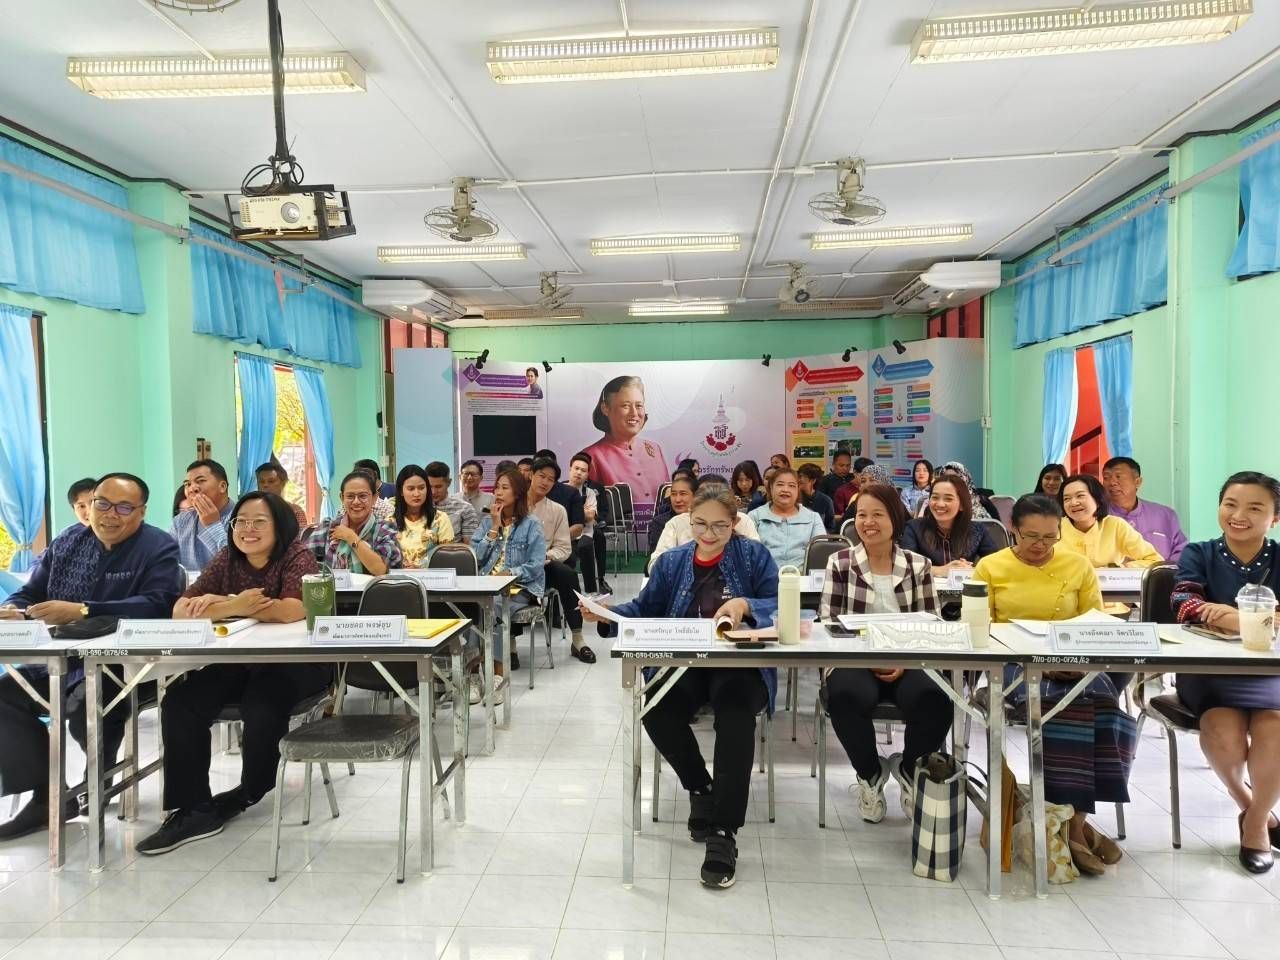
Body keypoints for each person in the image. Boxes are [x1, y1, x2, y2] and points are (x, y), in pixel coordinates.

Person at [582, 485, 779, 888]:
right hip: (684, 666)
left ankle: (724, 831)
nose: (708, 534)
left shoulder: (754, 556)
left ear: (736, 522)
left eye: (720, 526)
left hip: (740, 667)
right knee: (654, 706)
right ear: (689, 520)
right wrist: (605, 614)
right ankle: (701, 787)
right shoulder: (672, 562)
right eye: (701, 525)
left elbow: (782, 603)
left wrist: (746, 606)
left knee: (736, 716)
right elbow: (645, 610)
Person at [134, 492, 327, 855]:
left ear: (280, 526)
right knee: (181, 701)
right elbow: (181, 609)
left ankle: (250, 791)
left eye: (259, 522)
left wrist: (218, 607)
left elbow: (291, 610)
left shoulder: (296, 555)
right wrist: (237, 604)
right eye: (240, 521)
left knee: (261, 703)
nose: (247, 529)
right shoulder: (227, 558)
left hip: (294, 663)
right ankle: (194, 808)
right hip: (237, 659)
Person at [0, 473, 182, 840]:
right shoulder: (67, 541)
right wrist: (14, 609)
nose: (110, 515)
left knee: (87, 699)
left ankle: (97, 783)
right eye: (102, 504)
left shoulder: (159, 546)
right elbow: (31, 592)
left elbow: (158, 603)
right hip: (58, 658)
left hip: (125, 665)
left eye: (124, 507)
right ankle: (47, 795)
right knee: (3, 695)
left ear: (142, 512)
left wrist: (85, 609)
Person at [972, 495, 1130, 874]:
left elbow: (1094, 623)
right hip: (1013, 664)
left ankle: (1073, 821)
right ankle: (1073, 827)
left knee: (1109, 711)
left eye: (1050, 537)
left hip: (1073, 661)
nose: (1041, 545)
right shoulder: (991, 567)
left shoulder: (1077, 566)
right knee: (1066, 710)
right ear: (1013, 530)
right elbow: (979, 631)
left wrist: (1073, 661)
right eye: (1031, 537)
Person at [1170, 471, 1280, 874]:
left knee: (1275, 727)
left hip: (1270, 673)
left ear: (1274, 518)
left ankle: (1256, 826)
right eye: (1231, 504)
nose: (1239, 515)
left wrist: (1239, 617)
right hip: (1209, 671)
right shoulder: (1200, 553)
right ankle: (1250, 805)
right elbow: (1182, 603)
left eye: (1255, 508)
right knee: (1224, 732)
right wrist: (1245, 618)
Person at [819, 483, 948, 822]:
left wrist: (902, 661)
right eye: (862, 515)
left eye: (877, 514)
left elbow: (932, 623)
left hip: (908, 657)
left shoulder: (918, 565)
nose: (868, 522)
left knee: (936, 697)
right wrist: (870, 657)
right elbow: (828, 623)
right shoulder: (840, 562)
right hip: (854, 658)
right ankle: (870, 774)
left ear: (895, 518)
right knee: (844, 696)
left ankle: (908, 771)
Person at [471, 469, 547, 686]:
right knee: (472, 605)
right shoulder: (487, 522)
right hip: (487, 585)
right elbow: (475, 558)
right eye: (497, 488)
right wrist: (494, 529)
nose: (498, 493)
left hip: (520, 588)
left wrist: (510, 573)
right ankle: (474, 674)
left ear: (518, 493)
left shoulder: (532, 524)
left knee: (492, 604)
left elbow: (536, 565)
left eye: (505, 488)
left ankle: (498, 673)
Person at [528, 457, 594, 663]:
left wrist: (547, 557)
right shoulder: (515, 505)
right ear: (531, 475)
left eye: (551, 479)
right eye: (541, 476)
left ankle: (578, 639)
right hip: (513, 567)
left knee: (567, 574)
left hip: (543, 565)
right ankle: (510, 647)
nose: (545, 482)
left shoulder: (557, 510)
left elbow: (564, 547)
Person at [581, 375, 670, 512]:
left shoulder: (654, 449)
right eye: (625, 406)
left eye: (639, 405)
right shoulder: (590, 457)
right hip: (618, 532)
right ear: (605, 408)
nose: (634, 413)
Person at [901, 475, 1000, 578]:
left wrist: (968, 570)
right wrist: (940, 570)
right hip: (927, 591)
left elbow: (995, 564)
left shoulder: (977, 530)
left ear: (962, 505)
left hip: (964, 591)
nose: (940, 504)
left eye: (948, 499)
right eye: (934, 497)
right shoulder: (914, 527)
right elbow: (904, 566)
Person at [302, 471, 402, 574]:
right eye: (350, 496)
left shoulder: (385, 529)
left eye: (362, 496)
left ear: (374, 498)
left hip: (373, 590)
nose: (356, 502)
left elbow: (380, 570)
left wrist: (350, 537)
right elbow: (303, 563)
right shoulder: (328, 528)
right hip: (333, 589)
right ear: (342, 498)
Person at [651, 474, 760, 566]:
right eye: (706, 495)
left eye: (719, 495)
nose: (712, 499)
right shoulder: (677, 523)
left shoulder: (744, 521)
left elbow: (757, 560)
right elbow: (656, 564)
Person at [1058, 474, 1162, 568]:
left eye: (1080, 496)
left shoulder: (1115, 526)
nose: (1073, 503)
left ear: (1097, 500)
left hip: (1109, 587)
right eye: (1066, 499)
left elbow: (1154, 560)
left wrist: (1121, 568)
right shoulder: (1054, 528)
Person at [1102, 457, 1188, 563]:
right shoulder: (1097, 516)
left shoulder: (1165, 515)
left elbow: (1182, 553)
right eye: (1106, 478)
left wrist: (1164, 573)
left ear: (1137, 482)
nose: (1112, 482)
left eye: (1118, 476)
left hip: (1159, 577)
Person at [749, 468, 825, 570]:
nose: (785, 489)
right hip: (763, 581)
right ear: (771, 488)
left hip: (803, 581)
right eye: (780, 484)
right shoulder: (754, 516)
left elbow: (820, 554)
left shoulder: (813, 518)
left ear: (798, 490)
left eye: (792, 486)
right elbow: (747, 554)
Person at [170, 459, 233, 571]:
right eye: (187, 484)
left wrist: (212, 525)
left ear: (222, 486)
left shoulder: (242, 518)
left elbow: (237, 565)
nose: (192, 488)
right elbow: (167, 562)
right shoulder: (180, 521)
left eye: (200, 481)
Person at [393, 465, 454, 568]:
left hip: (432, 578)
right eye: (411, 489)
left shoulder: (440, 519)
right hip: (399, 578)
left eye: (421, 488)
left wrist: (419, 567)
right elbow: (385, 558)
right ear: (401, 491)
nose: (417, 494)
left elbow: (448, 557)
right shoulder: (389, 521)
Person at [566, 453, 603, 592]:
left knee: (586, 547)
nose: (579, 473)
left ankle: (591, 591)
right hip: (565, 534)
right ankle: (570, 591)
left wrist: (572, 511)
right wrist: (582, 511)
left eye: (583, 470)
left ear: (587, 475)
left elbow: (590, 516)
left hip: (585, 533)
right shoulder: (560, 490)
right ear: (570, 469)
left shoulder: (590, 493)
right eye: (576, 468)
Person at [425, 461, 477, 543]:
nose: (433, 491)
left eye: (438, 487)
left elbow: (469, 548)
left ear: (449, 483)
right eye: (429, 486)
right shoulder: (419, 508)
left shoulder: (465, 509)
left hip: (453, 554)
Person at [647, 471, 695, 553]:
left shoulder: (702, 521)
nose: (677, 500)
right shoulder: (660, 522)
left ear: (695, 496)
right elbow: (658, 557)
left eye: (683, 494)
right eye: (673, 494)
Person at [254, 461, 308, 530]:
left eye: (271, 481)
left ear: (283, 483)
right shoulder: (250, 511)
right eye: (261, 482)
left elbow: (301, 539)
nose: (265, 485)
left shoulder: (295, 512)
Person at [797, 463, 837, 533]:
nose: (798, 480)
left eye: (801, 477)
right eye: (798, 476)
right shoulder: (794, 499)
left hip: (819, 540)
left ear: (813, 481)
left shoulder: (826, 501)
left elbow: (831, 528)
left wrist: (820, 537)